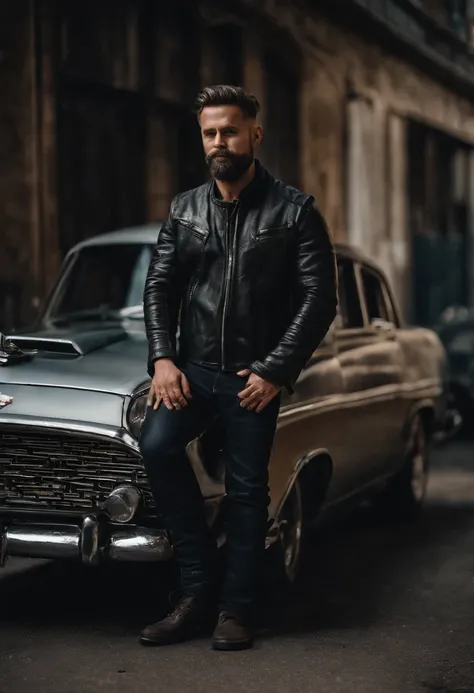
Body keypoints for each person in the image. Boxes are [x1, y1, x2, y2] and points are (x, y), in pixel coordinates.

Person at [139, 85, 338, 651]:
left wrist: (275, 369)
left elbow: (319, 299)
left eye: (229, 130)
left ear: (255, 132)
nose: (219, 142)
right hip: (193, 370)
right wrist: (162, 357)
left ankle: (236, 610)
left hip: (255, 377)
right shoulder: (185, 209)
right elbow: (160, 286)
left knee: (247, 491)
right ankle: (197, 592)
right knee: (156, 445)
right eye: (209, 133)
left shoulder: (294, 211)